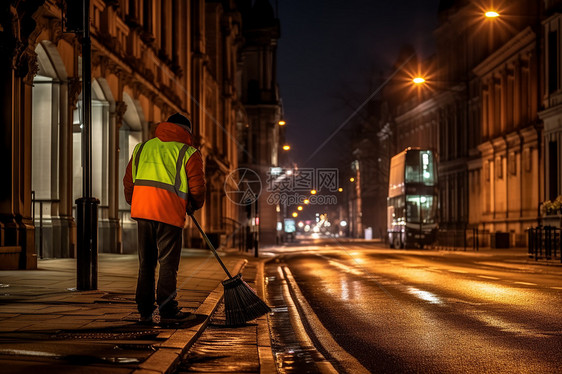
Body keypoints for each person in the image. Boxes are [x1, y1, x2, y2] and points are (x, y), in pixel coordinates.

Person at [123, 113, 205, 324]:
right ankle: (168, 310)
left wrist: (135, 201)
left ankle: (144, 311)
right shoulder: (189, 153)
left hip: (143, 212)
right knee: (168, 263)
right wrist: (193, 205)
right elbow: (197, 187)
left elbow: (129, 181)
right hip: (169, 213)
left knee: (146, 263)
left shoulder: (142, 148)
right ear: (187, 132)